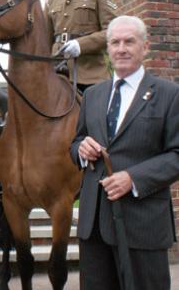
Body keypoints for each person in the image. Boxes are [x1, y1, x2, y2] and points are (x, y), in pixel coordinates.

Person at [70, 16, 179, 289]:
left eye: (129, 41)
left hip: (143, 224)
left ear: (145, 46)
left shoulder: (169, 94)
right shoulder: (93, 95)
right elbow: (76, 142)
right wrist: (81, 150)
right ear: (108, 49)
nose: (121, 48)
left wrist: (133, 178)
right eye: (115, 42)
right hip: (94, 226)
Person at [45, 0, 119, 92]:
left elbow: (113, 31)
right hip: (57, 72)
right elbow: (45, 38)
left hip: (90, 74)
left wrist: (81, 44)